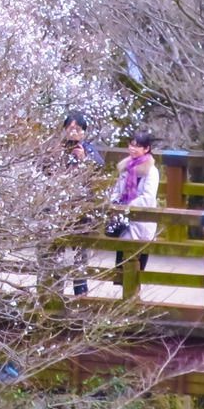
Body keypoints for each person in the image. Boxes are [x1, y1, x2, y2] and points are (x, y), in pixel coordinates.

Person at [61, 111, 105, 296]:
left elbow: (99, 167)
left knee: (81, 253)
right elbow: (43, 166)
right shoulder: (56, 149)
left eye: (77, 129)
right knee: (56, 251)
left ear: (83, 132)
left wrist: (83, 159)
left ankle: (80, 292)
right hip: (59, 209)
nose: (73, 132)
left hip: (82, 210)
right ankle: (53, 291)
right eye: (69, 128)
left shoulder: (88, 149)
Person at [110, 130, 160, 276]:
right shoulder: (126, 167)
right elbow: (117, 190)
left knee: (136, 272)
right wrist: (115, 202)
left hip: (142, 222)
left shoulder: (152, 171)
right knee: (121, 271)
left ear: (146, 149)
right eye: (131, 145)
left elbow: (148, 197)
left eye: (137, 146)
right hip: (124, 223)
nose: (132, 148)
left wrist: (128, 206)